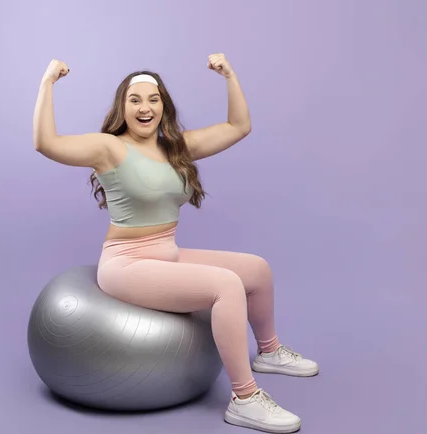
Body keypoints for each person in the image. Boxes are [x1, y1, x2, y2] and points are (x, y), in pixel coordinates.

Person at [32, 54, 319, 433]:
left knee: (256, 270)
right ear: (123, 107)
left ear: (163, 106)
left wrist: (229, 75)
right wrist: (48, 81)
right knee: (226, 286)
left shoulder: (176, 148)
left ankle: (269, 351)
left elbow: (239, 126)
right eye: (134, 100)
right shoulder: (109, 148)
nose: (144, 107)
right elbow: (45, 143)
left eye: (153, 99)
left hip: (166, 253)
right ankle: (245, 399)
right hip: (125, 265)